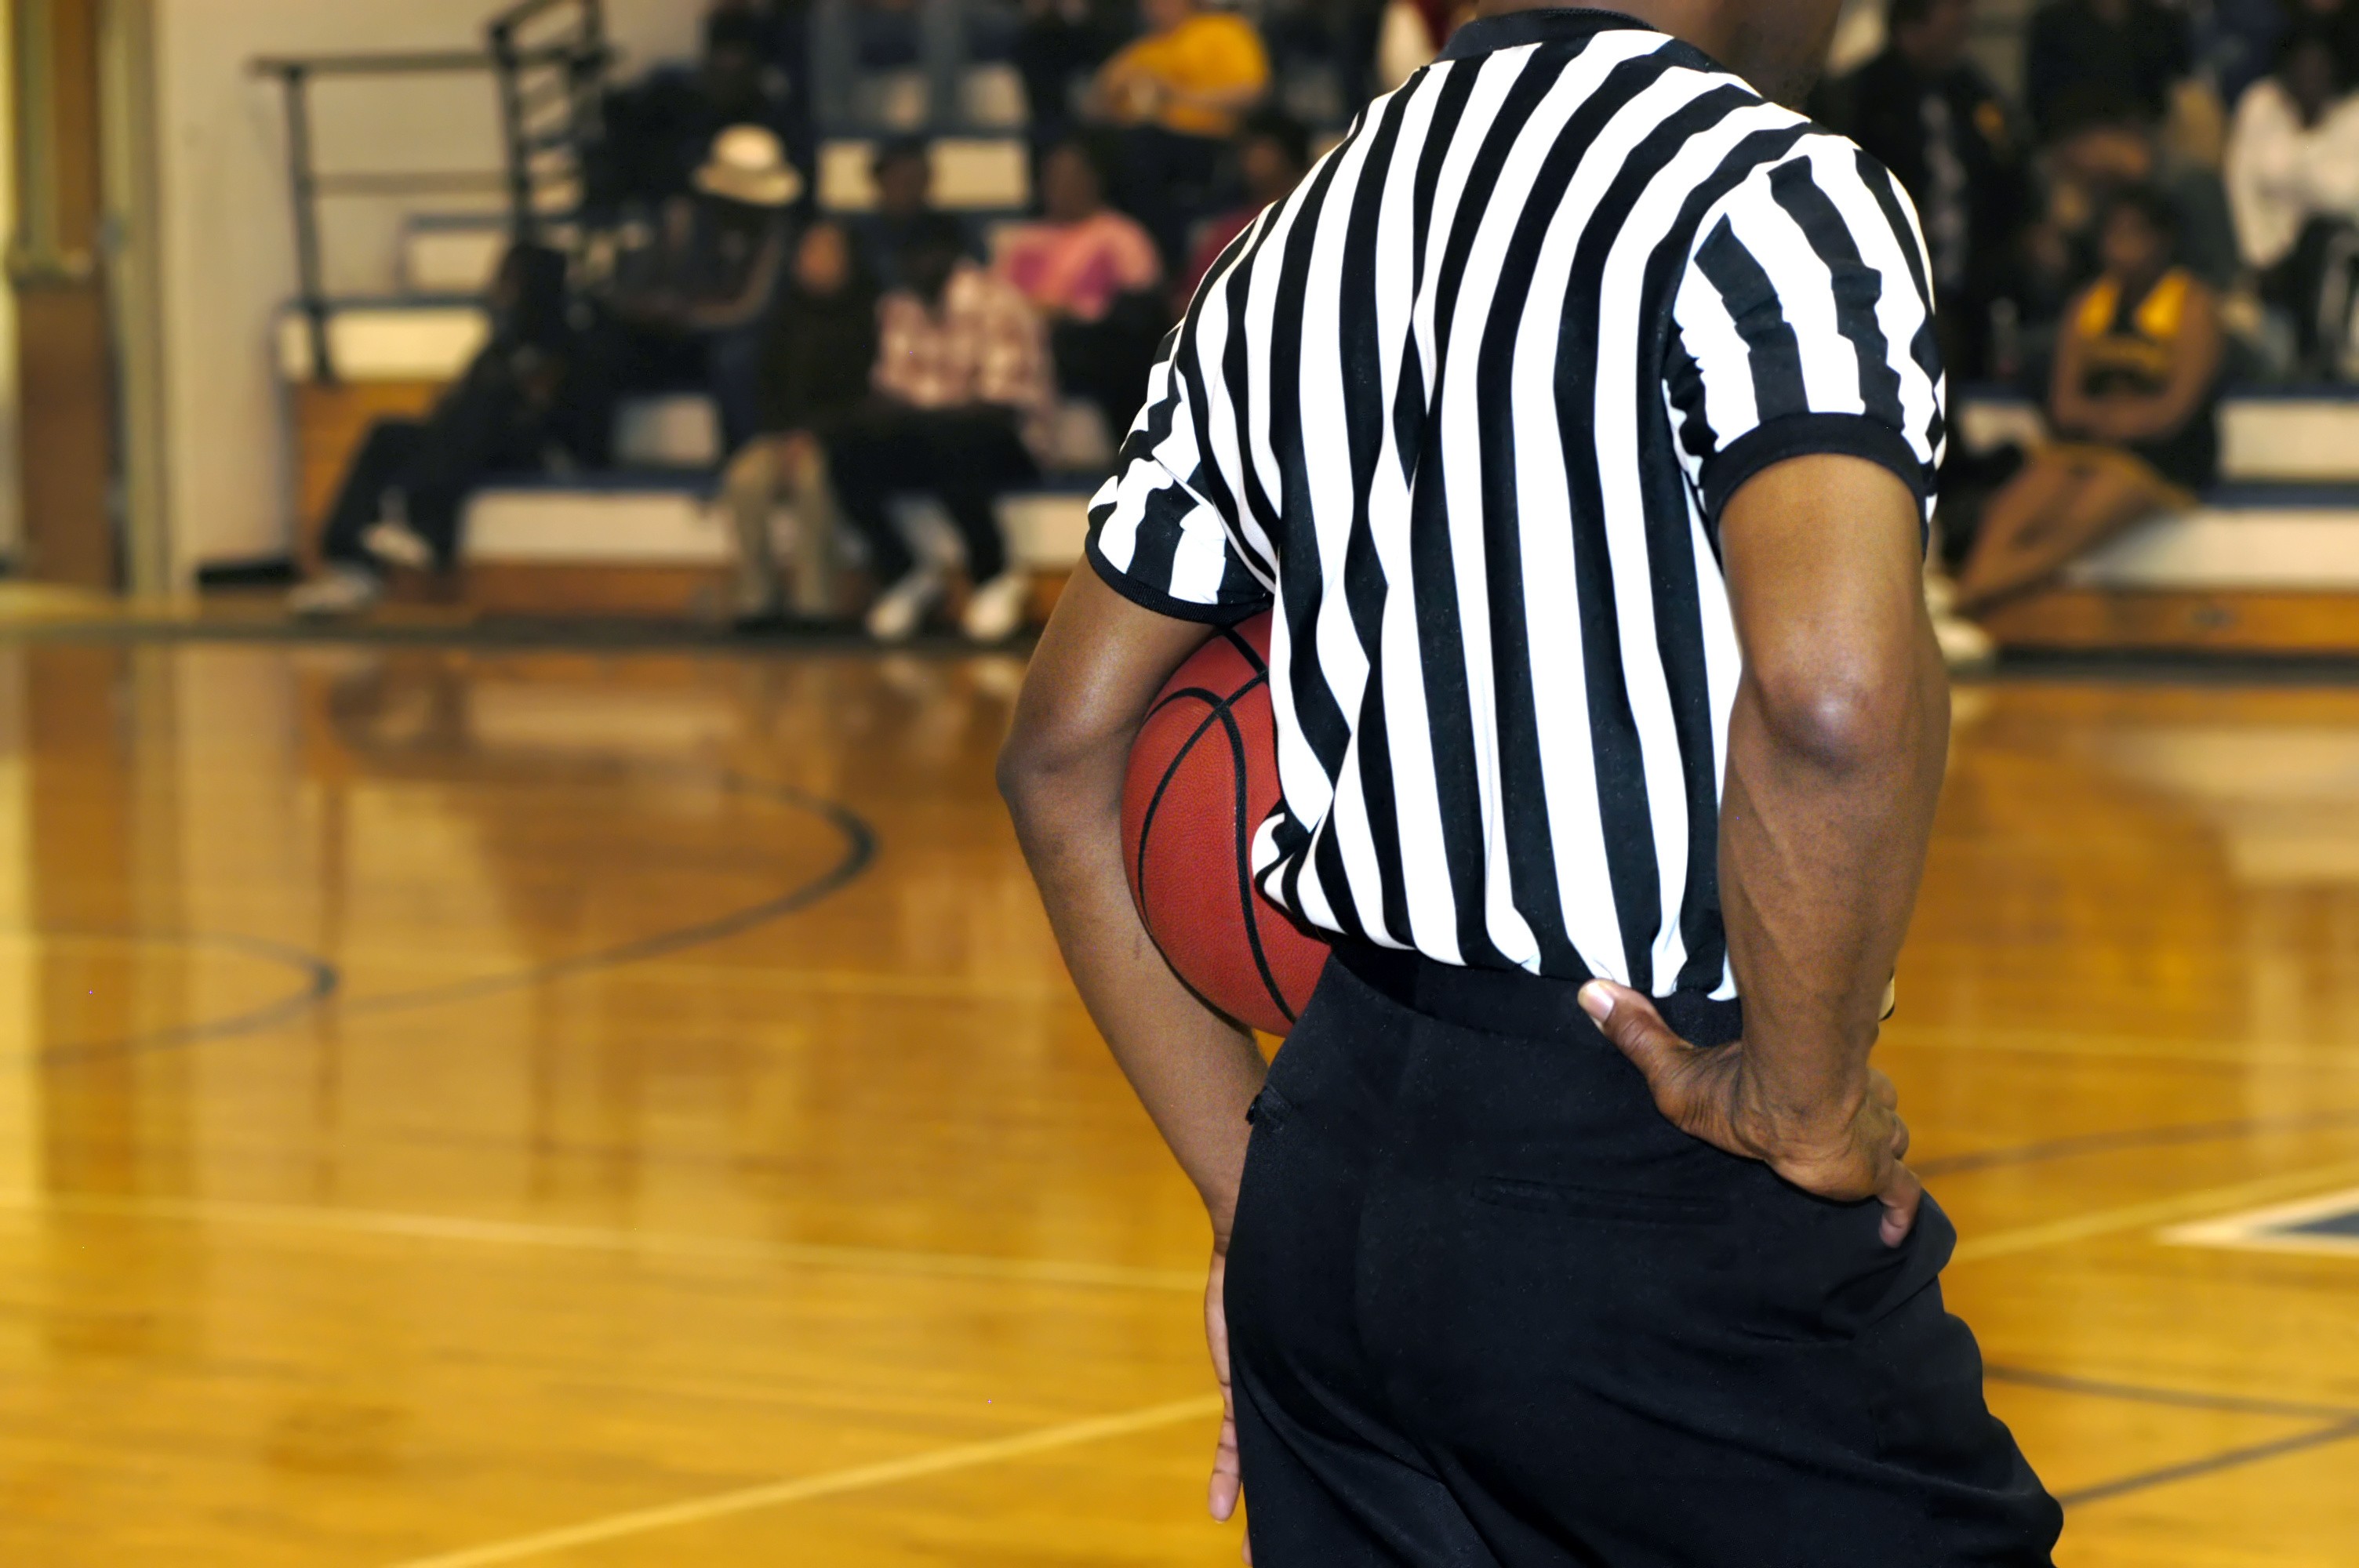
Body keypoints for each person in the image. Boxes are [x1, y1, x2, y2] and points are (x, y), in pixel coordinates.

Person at [1000, 2, 2062, 1563]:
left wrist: (1257, 1196)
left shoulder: (1294, 237)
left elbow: (1060, 753)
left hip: (1332, 1149)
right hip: (1647, 1158)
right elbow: (1834, 698)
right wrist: (1806, 1095)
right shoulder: (1768, 194)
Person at [289, 246, 599, 618]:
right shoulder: (502, 343)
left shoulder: (564, 344)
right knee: (388, 433)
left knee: (483, 408)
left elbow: (564, 418)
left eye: (509, 281)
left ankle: (428, 525)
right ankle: (350, 563)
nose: (498, 291)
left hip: (542, 452)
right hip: (475, 444)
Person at [1961, 187, 2224, 611]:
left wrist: (2110, 420)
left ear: (2162, 241)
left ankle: (1960, 601)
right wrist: (2113, 420)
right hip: (2087, 444)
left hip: (2163, 457)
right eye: (2111, 234)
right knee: (2012, 505)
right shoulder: (2087, 302)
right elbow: (2064, 405)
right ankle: (1960, 596)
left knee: (2074, 522)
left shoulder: (2193, 306)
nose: (2118, 247)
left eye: (2133, 234)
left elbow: (2173, 412)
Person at [832, 225, 1053, 644]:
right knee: (846, 449)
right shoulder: (901, 307)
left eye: (924, 254)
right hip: (936, 433)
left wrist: (924, 417)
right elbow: (895, 386)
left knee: (956, 442)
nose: (914, 266)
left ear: (951, 253)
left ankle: (994, 576)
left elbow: (1001, 402)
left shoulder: (997, 302)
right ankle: (907, 573)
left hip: (1009, 439)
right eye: (906, 257)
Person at [1822, 0, 2026, 382]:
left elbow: (2012, 171)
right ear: (1915, 21)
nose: (1966, 22)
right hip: (1893, 271)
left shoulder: (1972, 92)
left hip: (1976, 275)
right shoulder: (1860, 96)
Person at [721, 220, 878, 630]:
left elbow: (867, 393)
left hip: (839, 438)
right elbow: (766, 386)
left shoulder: (868, 316)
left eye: (827, 252)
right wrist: (783, 433)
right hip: (779, 435)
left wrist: (815, 435)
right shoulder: (784, 314)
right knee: (744, 478)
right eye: (809, 252)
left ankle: (817, 604)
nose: (815, 262)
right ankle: (757, 600)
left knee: (814, 480)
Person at [602, 125, 800, 452]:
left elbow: (752, 308)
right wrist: (650, 308)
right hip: (664, 335)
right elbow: (631, 288)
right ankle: (595, 459)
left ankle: (744, 457)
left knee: (737, 358)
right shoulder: (682, 219)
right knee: (604, 346)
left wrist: (687, 315)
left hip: (732, 334)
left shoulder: (776, 234)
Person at [993, 138, 1166, 437]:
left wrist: (1069, 315)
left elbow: (1138, 311)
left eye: (1073, 175)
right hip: (1021, 347)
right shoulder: (1021, 242)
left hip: (1088, 352)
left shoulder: (1123, 236)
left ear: (1095, 179)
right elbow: (994, 303)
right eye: (1054, 176)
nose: (1062, 185)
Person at [1089, 0, 1272, 262]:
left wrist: (1178, 97)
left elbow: (1254, 92)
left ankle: (1164, 257)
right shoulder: (1142, 50)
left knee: (1143, 148)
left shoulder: (1223, 30)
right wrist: (1110, 88)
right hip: (1143, 144)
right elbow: (1092, 110)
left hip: (1209, 141)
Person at [2227, 24, 2359, 374]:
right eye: (2301, 64)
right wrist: (2260, 256)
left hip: (2334, 251)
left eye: (2320, 65)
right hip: (2263, 257)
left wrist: (2305, 142)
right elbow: (2241, 186)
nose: (2309, 74)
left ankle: (2322, 356)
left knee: (2327, 237)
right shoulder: (2260, 104)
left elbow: (2345, 198)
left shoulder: (2354, 114)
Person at [1176, 107, 1310, 305]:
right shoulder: (1230, 230)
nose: (1251, 158)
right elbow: (1189, 302)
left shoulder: (1315, 220)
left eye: (1262, 148)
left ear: (1289, 154)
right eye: (1247, 148)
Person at [2023, 0, 2193, 141]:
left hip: (2153, 136)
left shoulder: (2160, 24)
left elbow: (2177, 86)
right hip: (2074, 139)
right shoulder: (2053, 24)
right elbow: (2041, 104)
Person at [848, 138, 980, 293]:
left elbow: (975, 278)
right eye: (898, 178)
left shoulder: (950, 231)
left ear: (927, 180)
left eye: (914, 178)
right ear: (880, 180)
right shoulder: (857, 236)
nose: (906, 188)